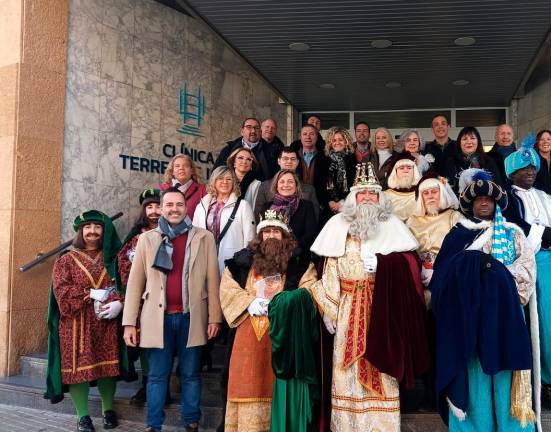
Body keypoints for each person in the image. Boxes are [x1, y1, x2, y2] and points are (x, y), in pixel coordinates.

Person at [305, 162, 430, 432]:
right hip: (347, 308)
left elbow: (409, 266)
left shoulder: (393, 224)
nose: (368, 198)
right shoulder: (337, 225)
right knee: (345, 370)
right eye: (362, 193)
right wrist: (329, 309)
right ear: (353, 197)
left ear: (380, 197)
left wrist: (385, 267)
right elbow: (329, 270)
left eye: (373, 193)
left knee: (382, 366)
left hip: (382, 308)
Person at [430, 169, 539, 432]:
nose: (483, 203)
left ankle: (510, 427)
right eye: (478, 200)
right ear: (470, 204)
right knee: (474, 376)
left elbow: (526, 271)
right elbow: (443, 278)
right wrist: (478, 274)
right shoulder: (457, 236)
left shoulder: (513, 233)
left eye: (488, 200)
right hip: (470, 319)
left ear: (496, 203)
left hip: (505, 315)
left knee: (505, 375)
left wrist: (491, 277)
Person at [123, 187, 223, 432]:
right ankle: (153, 425)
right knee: (157, 375)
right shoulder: (148, 239)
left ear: (185, 207)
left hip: (192, 317)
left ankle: (191, 421)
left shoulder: (203, 237)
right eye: (169, 205)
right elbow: (135, 283)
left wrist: (215, 317)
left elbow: (213, 278)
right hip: (158, 319)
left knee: (191, 374)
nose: (174, 209)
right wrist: (128, 322)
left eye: (179, 204)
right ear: (162, 209)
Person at [219, 211, 318, 431]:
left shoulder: (300, 263)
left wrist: (284, 302)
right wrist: (248, 302)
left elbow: (309, 291)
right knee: (247, 385)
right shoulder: (241, 262)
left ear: (285, 236)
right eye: (266, 232)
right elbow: (227, 289)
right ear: (259, 236)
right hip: (248, 336)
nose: (271, 236)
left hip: (283, 338)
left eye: (276, 231)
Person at [505, 134, 551, 414]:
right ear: (512, 172)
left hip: (545, 266)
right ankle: (523, 388)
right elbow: (510, 228)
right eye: (524, 169)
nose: (530, 173)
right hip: (517, 267)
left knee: (550, 323)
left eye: (533, 168)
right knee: (520, 326)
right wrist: (538, 234)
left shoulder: (547, 199)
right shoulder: (506, 199)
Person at [45, 211, 134, 432]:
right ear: (80, 231)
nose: (92, 231)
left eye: (97, 227)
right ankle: (83, 417)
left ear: (104, 230)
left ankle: (107, 409)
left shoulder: (115, 258)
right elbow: (62, 292)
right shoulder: (66, 260)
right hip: (76, 324)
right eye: (87, 227)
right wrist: (90, 294)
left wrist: (119, 302)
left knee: (108, 368)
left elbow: (128, 283)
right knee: (78, 371)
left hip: (107, 321)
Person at [118, 189, 162, 406]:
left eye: (157, 206)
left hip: (166, 297)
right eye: (149, 207)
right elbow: (124, 263)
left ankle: (163, 387)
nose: (154, 211)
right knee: (146, 342)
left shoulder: (171, 232)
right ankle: (147, 385)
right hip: (143, 299)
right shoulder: (135, 237)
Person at [192, 166, 256, 275]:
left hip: (232, 262)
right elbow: (194, 235)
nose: (224, 182)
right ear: (214, 181)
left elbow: (250, 239)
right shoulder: (202, 206)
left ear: (233, 182)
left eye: (229, 179)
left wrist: (244, 263)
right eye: (220, 178)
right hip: (205, 260)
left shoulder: (243, 206)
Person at [406, 173, 464, 289]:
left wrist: (438, 269)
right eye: (426, 193)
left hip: (448, 276)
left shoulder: (454, 217)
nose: (430, 196)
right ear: (421, 197)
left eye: (434, 192)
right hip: (417, 276)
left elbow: (461, 250)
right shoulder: (411, 221)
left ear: (441, 193)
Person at [259, 170, 318, 255]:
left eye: (290, 182)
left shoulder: (306, 206)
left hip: (297, 257)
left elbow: (310, 235)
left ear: (296, 185)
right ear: (276, 186)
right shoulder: (267, 207)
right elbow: (262, 233)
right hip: (271, 256)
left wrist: (289, 248)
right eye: (282, 182)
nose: (286, 185)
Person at [252, 147, 321, 219]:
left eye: (293, 159)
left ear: (297, 162)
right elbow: (258, 214)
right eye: (285, 158)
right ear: (279, 161)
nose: (289, 161)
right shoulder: (264, 186)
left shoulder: (309, 189)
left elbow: (314, 217)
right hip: (272, 229)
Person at [442, 126, 505, 195]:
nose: (469, 142)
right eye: (464, 139)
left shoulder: (489, 161)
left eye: (472, 138)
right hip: (458, 203)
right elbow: (446, 188)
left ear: (478, 141)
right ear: (459, 143)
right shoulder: (451, 162)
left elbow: (499, 187)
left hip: (484, 203)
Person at [317, 126, 357, 223]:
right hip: (327, 207)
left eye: (341, 140)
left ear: (346, 141)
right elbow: (318, 184)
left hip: (348, 206)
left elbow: (355, 184)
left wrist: (342, 202)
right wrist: (329, 202)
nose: (337, 142)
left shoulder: (353, 160)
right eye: (334, 140)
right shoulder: (323, 159)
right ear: (330, 142)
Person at [383, 153, 422, 221]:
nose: (405, 170)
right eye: (401, 168)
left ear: (414, 171)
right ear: (395, 172)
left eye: (409, 168)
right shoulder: (385, 195)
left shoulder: (421, 194)